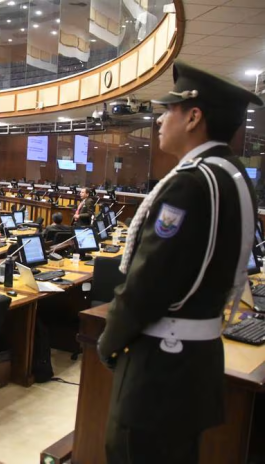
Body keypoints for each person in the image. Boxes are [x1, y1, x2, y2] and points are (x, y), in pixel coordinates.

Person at [98, 61, 261, 464]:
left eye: (168, 110)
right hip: (195, 362)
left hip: (160, 365)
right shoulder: (233, 174)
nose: (158, 119)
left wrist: (109, 339)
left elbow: (148, 282)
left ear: (193, 117)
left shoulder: (192, 182)